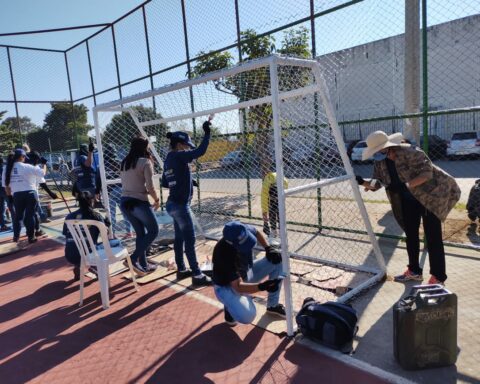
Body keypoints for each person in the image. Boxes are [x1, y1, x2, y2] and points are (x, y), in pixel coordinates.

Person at [358, 130, 460, 284]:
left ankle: (438, 277)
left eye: (379, 150)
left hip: (430, 196)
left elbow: (427, 174)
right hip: (407, 200)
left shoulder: (411, 152)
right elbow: (377, 182)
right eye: (375, 151)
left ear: (388, 147)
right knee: (411, 235)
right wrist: (363, 183)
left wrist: (406, 185)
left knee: (433, 237)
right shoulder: (380, 161)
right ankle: (414, 271)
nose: (377, 154)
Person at [161, 119, 213, 286]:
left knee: (179, 238)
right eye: (185, 145)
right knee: (189, 241)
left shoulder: (169, 158)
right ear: (179, 144)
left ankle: (182, 269)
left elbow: (165, 182)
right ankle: (197, 275)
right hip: (180, 206)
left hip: (171, 204)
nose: (187, 148)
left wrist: (187, 181)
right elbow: (200, 152)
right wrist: (207, 133)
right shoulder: (179, 155)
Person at [212, 221, 286, 326]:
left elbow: (256, 232)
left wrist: (268, 248)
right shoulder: (223, 254)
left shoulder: (241, 229)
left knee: (277, 260)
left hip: (246, 273)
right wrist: (261, 287)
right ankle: (230, 308)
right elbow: (238, 286)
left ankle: (272, 305)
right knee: (248, 316)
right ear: (231, 242)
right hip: (228, 286)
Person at [120, 136, 160, 276]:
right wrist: (157, 200)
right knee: (154, 230)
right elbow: (150, 187)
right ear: (145, 147)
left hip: (124, 202)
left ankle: (143, 265)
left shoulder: (125, 162)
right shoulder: (145, 162)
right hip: (138, 202)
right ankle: (132, 259)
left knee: (141, 234)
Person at [63, 191, 111, 281]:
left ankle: (78, 265)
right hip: (89, 254)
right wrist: (107, 225)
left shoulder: (69, 217)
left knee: (80, 245)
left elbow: (66, 234)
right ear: (92, 201)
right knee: (115, 243)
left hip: (70, 255)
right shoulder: (96, 216)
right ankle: (95, 266)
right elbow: (105, 235)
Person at [3, 149, 46, 243]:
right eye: (24, 157)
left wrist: (10, 198)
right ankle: (31, 237)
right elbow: (42, 173)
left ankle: (16, 237)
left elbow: (6, 186)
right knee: (29, 216)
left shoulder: (6, 168)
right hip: (31, 193)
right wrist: (44, 164)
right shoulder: (27, 166)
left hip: (17, 195)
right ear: (22, 157)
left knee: (18, 216)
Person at [97, 143, 132, 238]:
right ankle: (129, 232)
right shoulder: (120, 162)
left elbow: (97, 179)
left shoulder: (102, 164)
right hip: (122, 189)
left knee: (111, 214)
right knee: (125, 212)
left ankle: (113, 234)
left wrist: (97, 191)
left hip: (109, 191)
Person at [261, 170, 288, 239]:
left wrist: (264, 212)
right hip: (281, 198)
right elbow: (286, 185)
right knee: (278, 215)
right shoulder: (280, 176)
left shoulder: (266, 181)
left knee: (274, 214)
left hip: (278, 197)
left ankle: (275, 231)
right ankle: (279, 231)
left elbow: (264, 198)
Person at [0, 157, 10, 232]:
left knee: (1, 207)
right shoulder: (3, 168)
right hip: (4, 188)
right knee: (11, 205)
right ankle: (18, 223)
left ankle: (3, 224)